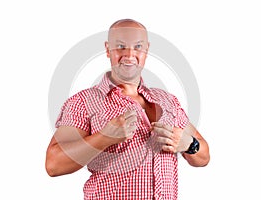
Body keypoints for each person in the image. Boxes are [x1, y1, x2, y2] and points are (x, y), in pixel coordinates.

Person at [46, 19, 210, 199]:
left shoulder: (168, 101)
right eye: (121, 46)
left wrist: (189, 145)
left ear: (146, 49)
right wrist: (103, 138)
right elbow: (53, 164)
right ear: (108, 49)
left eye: (138, 46)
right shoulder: (84, 101)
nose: (130, 55)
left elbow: (204, 156)